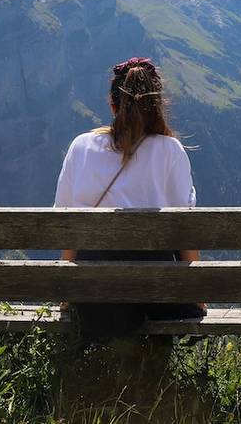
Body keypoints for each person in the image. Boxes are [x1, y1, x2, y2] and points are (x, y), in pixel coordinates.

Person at [53, 56, 205, 341]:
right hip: (154, 294)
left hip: (91, 294)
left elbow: (66, 226)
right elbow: (186, 230)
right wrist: (195, 294)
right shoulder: (170, 150)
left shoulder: (81, 146)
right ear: (157, 106)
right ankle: (149, 377)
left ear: (113, 106)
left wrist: (67, 292)